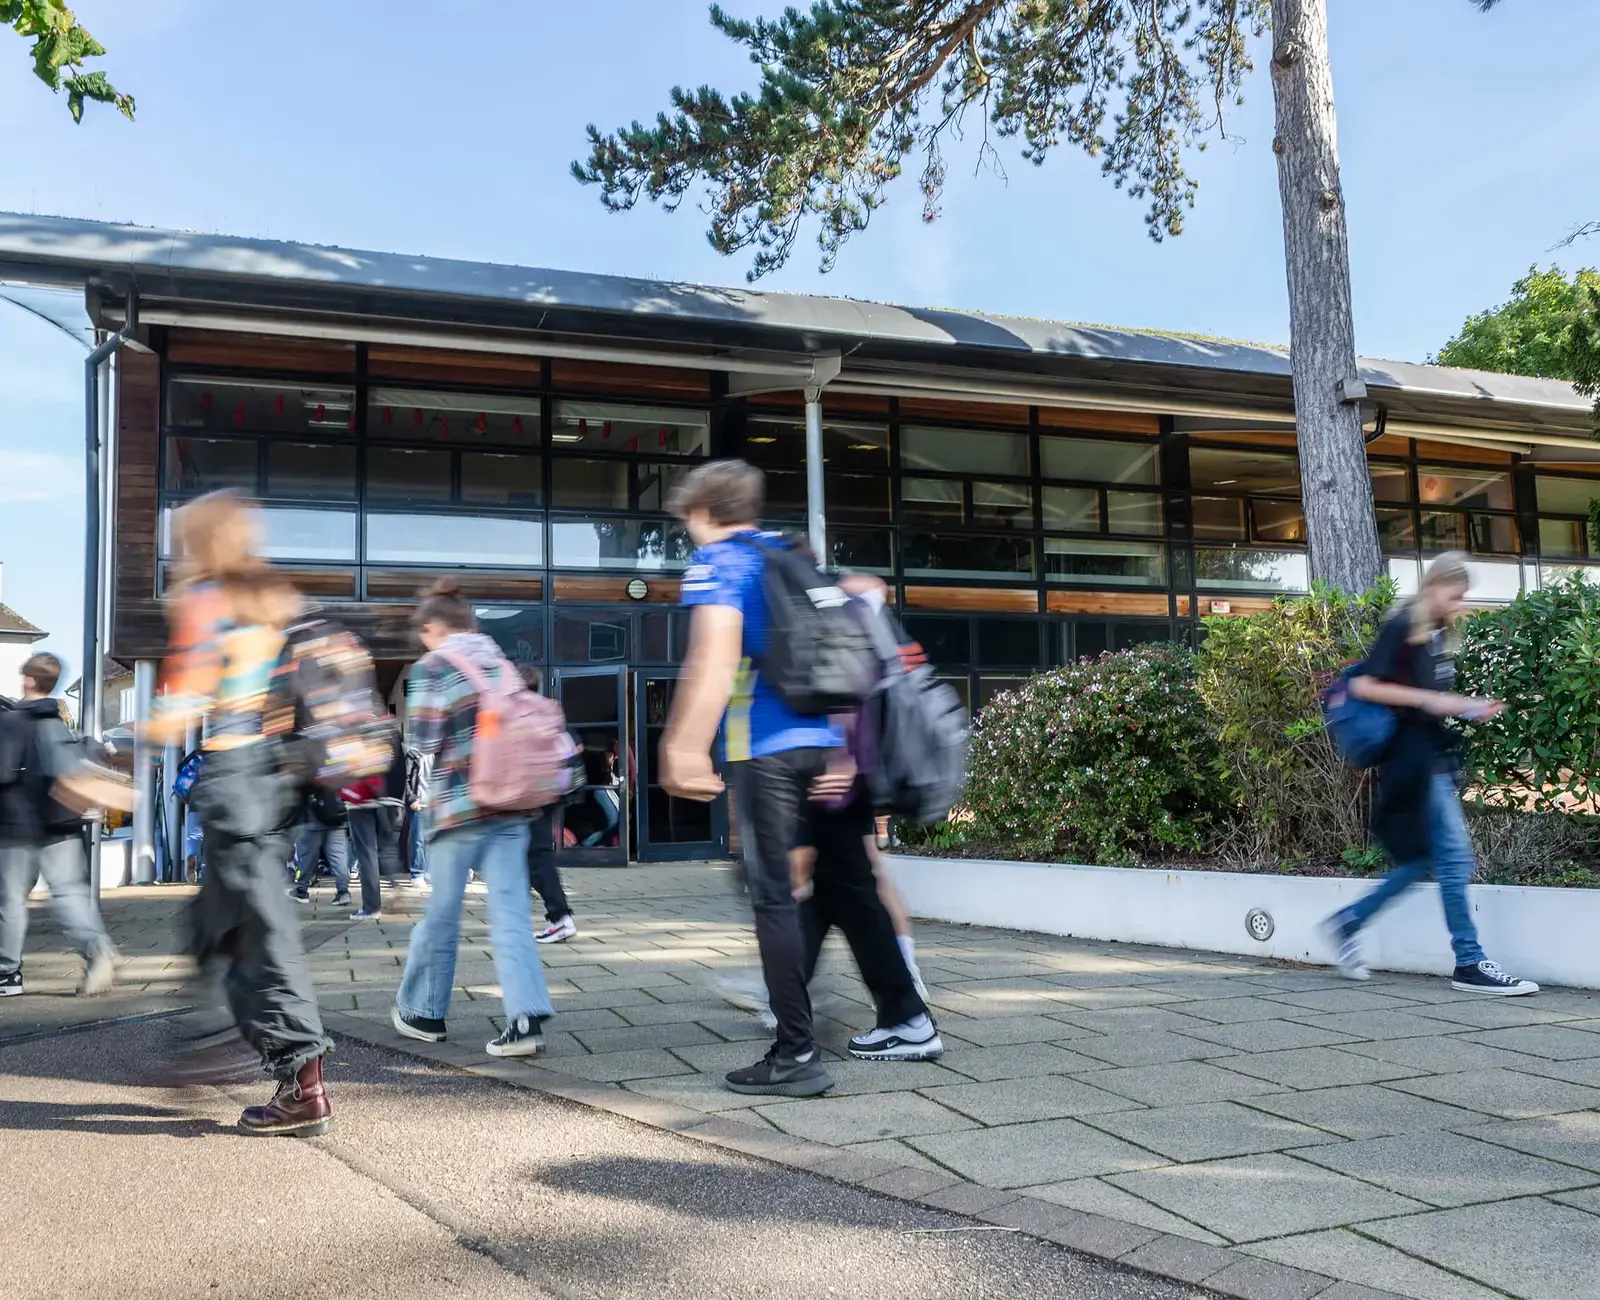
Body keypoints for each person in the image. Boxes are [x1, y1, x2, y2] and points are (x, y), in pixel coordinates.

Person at [145, 490, 334, 1136]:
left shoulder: (207, 599)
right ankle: (216, 1041)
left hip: (233, 778)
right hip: (266, 778)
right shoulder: (274, 601)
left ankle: (295, 1081)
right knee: (219, 926)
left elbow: (184, 697)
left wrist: (132, 741)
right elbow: (283, 708)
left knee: (255, 936)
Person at [663, 458, 840, 1097]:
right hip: (826, 746)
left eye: (688, 521)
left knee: (772, 899)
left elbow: (713, 658)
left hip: (766, 751)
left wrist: (682, 744)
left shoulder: (722, 561)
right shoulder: (792, 553)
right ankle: (900, 1016)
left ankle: (796, 1053)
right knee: (834, 890)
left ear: (703, 512)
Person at [1321, 551, 1538, 996]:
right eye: (1454, 595)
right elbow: (1365, 685)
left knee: (1425, 860)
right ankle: (1470, 963)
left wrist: (1466, 704)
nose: (1458, 604)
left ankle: (1349, 923)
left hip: (1429, 757)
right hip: (1412, 759)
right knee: (1455, 858)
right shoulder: (1403, 625)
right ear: (1434, 585)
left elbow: (1425, 696)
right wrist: (1436, 702)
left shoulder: (1436, 633)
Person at [390, 580, 556, 1057]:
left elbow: (421, 743)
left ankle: (423, 1012)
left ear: (433, 627)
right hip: (511, 805)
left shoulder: (433, 666)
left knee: (441, 913)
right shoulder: (500, 664)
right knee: (510, 916)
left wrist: (415, 799)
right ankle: (525, 1020)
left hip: (459, 809)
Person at [0, 653, 119, 998]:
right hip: (62, 821)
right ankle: (96, 951)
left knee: (9, 901)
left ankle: (8, 974)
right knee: (69, 894)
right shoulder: (58, 722)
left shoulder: (11, 722)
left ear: (28, 680)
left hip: (17, 826)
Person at [516, 664, 577, 945]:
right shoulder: (548, 708)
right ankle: (550, 916)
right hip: (552, 791)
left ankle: (560, 917)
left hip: (532, 794)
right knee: (530, 855)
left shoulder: (521, 712)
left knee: (536, 857)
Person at [289, 789, 352, 907]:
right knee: (339, 857)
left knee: (307, 856)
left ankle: (302, 891)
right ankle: (343, 892)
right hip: (335, 813)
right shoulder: (336, 770)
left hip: (311, 817)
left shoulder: (309, 771)